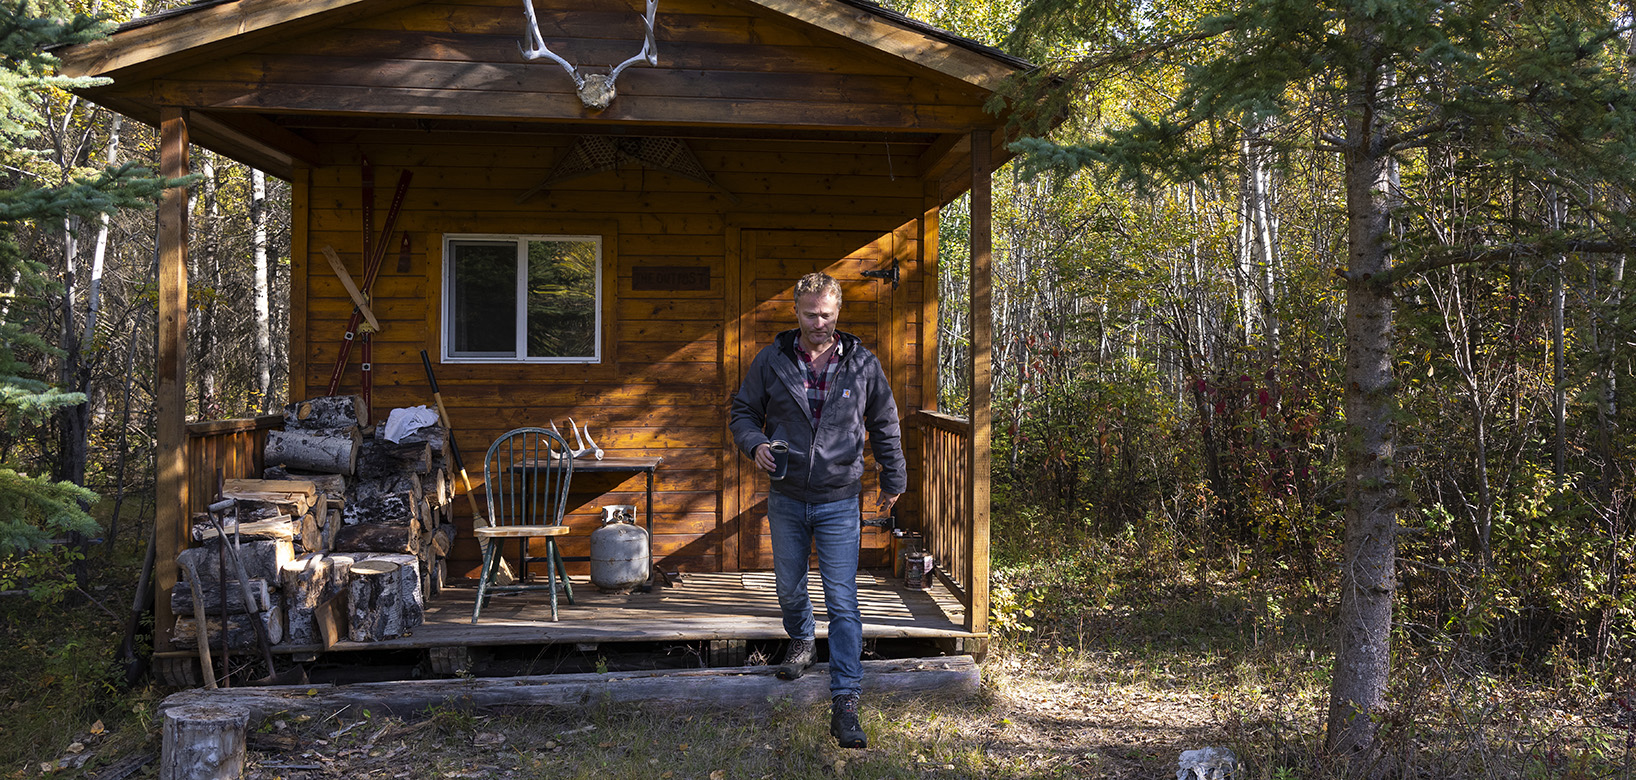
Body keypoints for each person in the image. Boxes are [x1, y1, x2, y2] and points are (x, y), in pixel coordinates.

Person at [729, 271, 907, 749]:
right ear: (796, 311)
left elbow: (885, 423)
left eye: (828, 314)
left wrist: (894, 480)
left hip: (838, 501)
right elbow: (742, 412)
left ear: (838, 312)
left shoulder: (863, 365)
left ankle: (846, 702)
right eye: (811, 314)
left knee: (843, 602)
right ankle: (803, 638)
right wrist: (755, 444)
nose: (820, 323)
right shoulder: (772, 359)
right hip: (786, 498)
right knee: (789, 588)